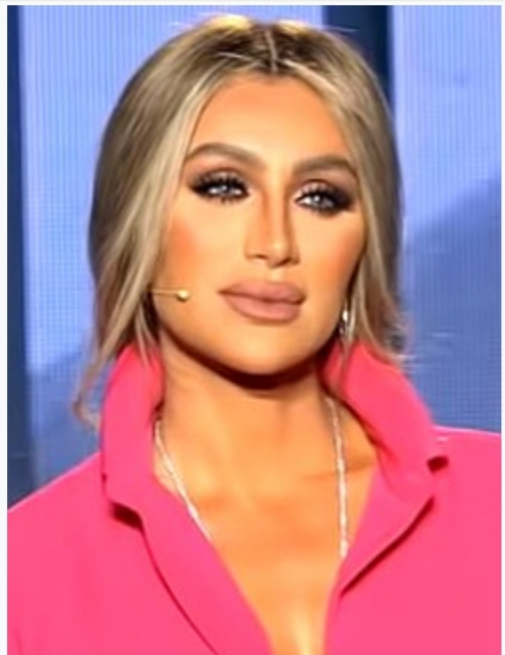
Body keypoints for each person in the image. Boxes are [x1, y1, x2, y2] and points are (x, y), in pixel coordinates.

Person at [8, 14, 500, 655]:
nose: (274, 243)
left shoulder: (493, 504)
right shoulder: (24, 576)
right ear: (136, 221)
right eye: (223, 187)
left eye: (320, 197)